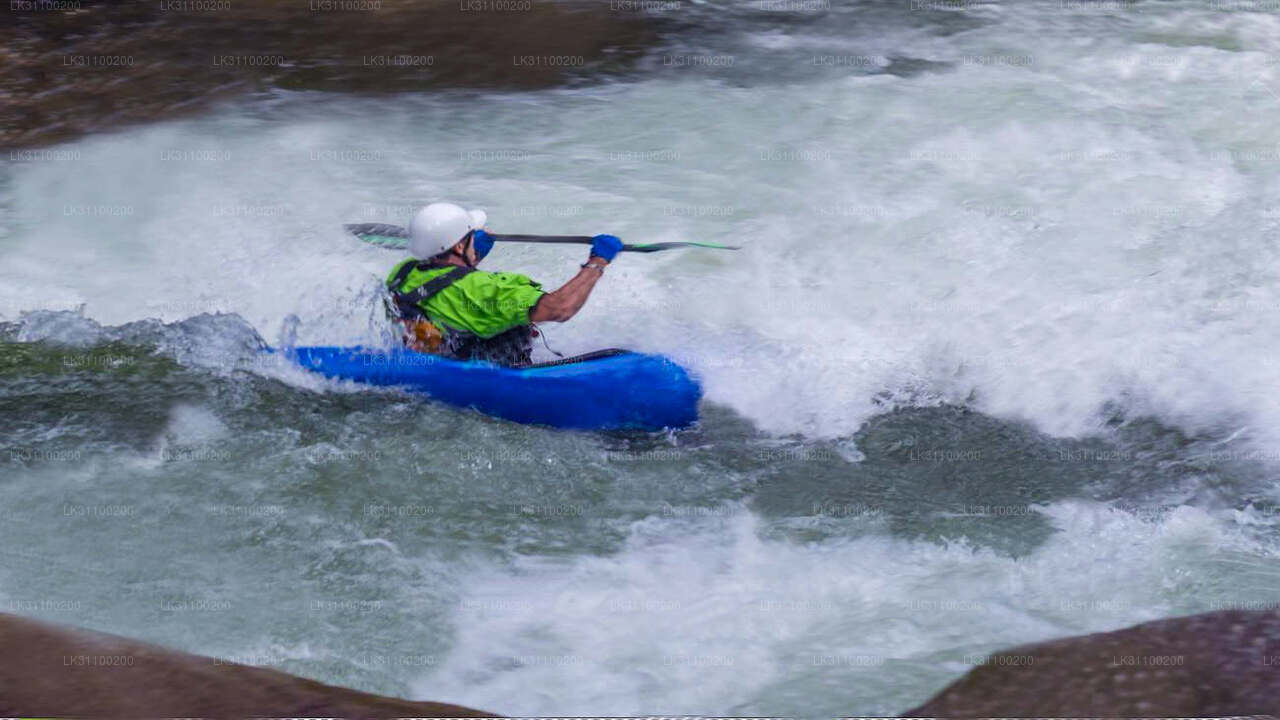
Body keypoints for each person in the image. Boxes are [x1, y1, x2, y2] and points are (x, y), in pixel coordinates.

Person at [385, 202, 623, 366]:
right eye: (469, 238)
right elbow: (560, 308)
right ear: (458, 247)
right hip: (491, 374)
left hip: (436, 363)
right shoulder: (492, 291)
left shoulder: (403, 272)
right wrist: (597, 262)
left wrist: (473, 250)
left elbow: (447, 278)